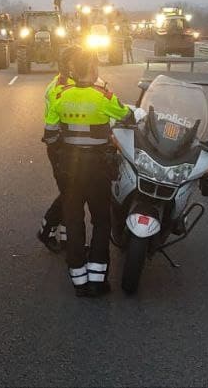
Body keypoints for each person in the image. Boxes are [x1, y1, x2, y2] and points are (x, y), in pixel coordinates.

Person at [43, 49, 133, 297]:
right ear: (93, 70)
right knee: (101, 221)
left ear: (73, 70)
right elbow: (128, 116)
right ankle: (97, 279)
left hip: (71, 169)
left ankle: (79, 281)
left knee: (73, 221)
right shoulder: (103, 96)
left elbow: (50, 134)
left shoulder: (60, 96)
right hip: (97, 169)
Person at [37, 45, 81, 252]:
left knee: (72, 193)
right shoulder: (63, 87)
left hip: (68, 146)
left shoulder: (68, 82)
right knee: (71, 194)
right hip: (62, 147)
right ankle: (46, 230)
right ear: (69, 65)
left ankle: (66, 238)